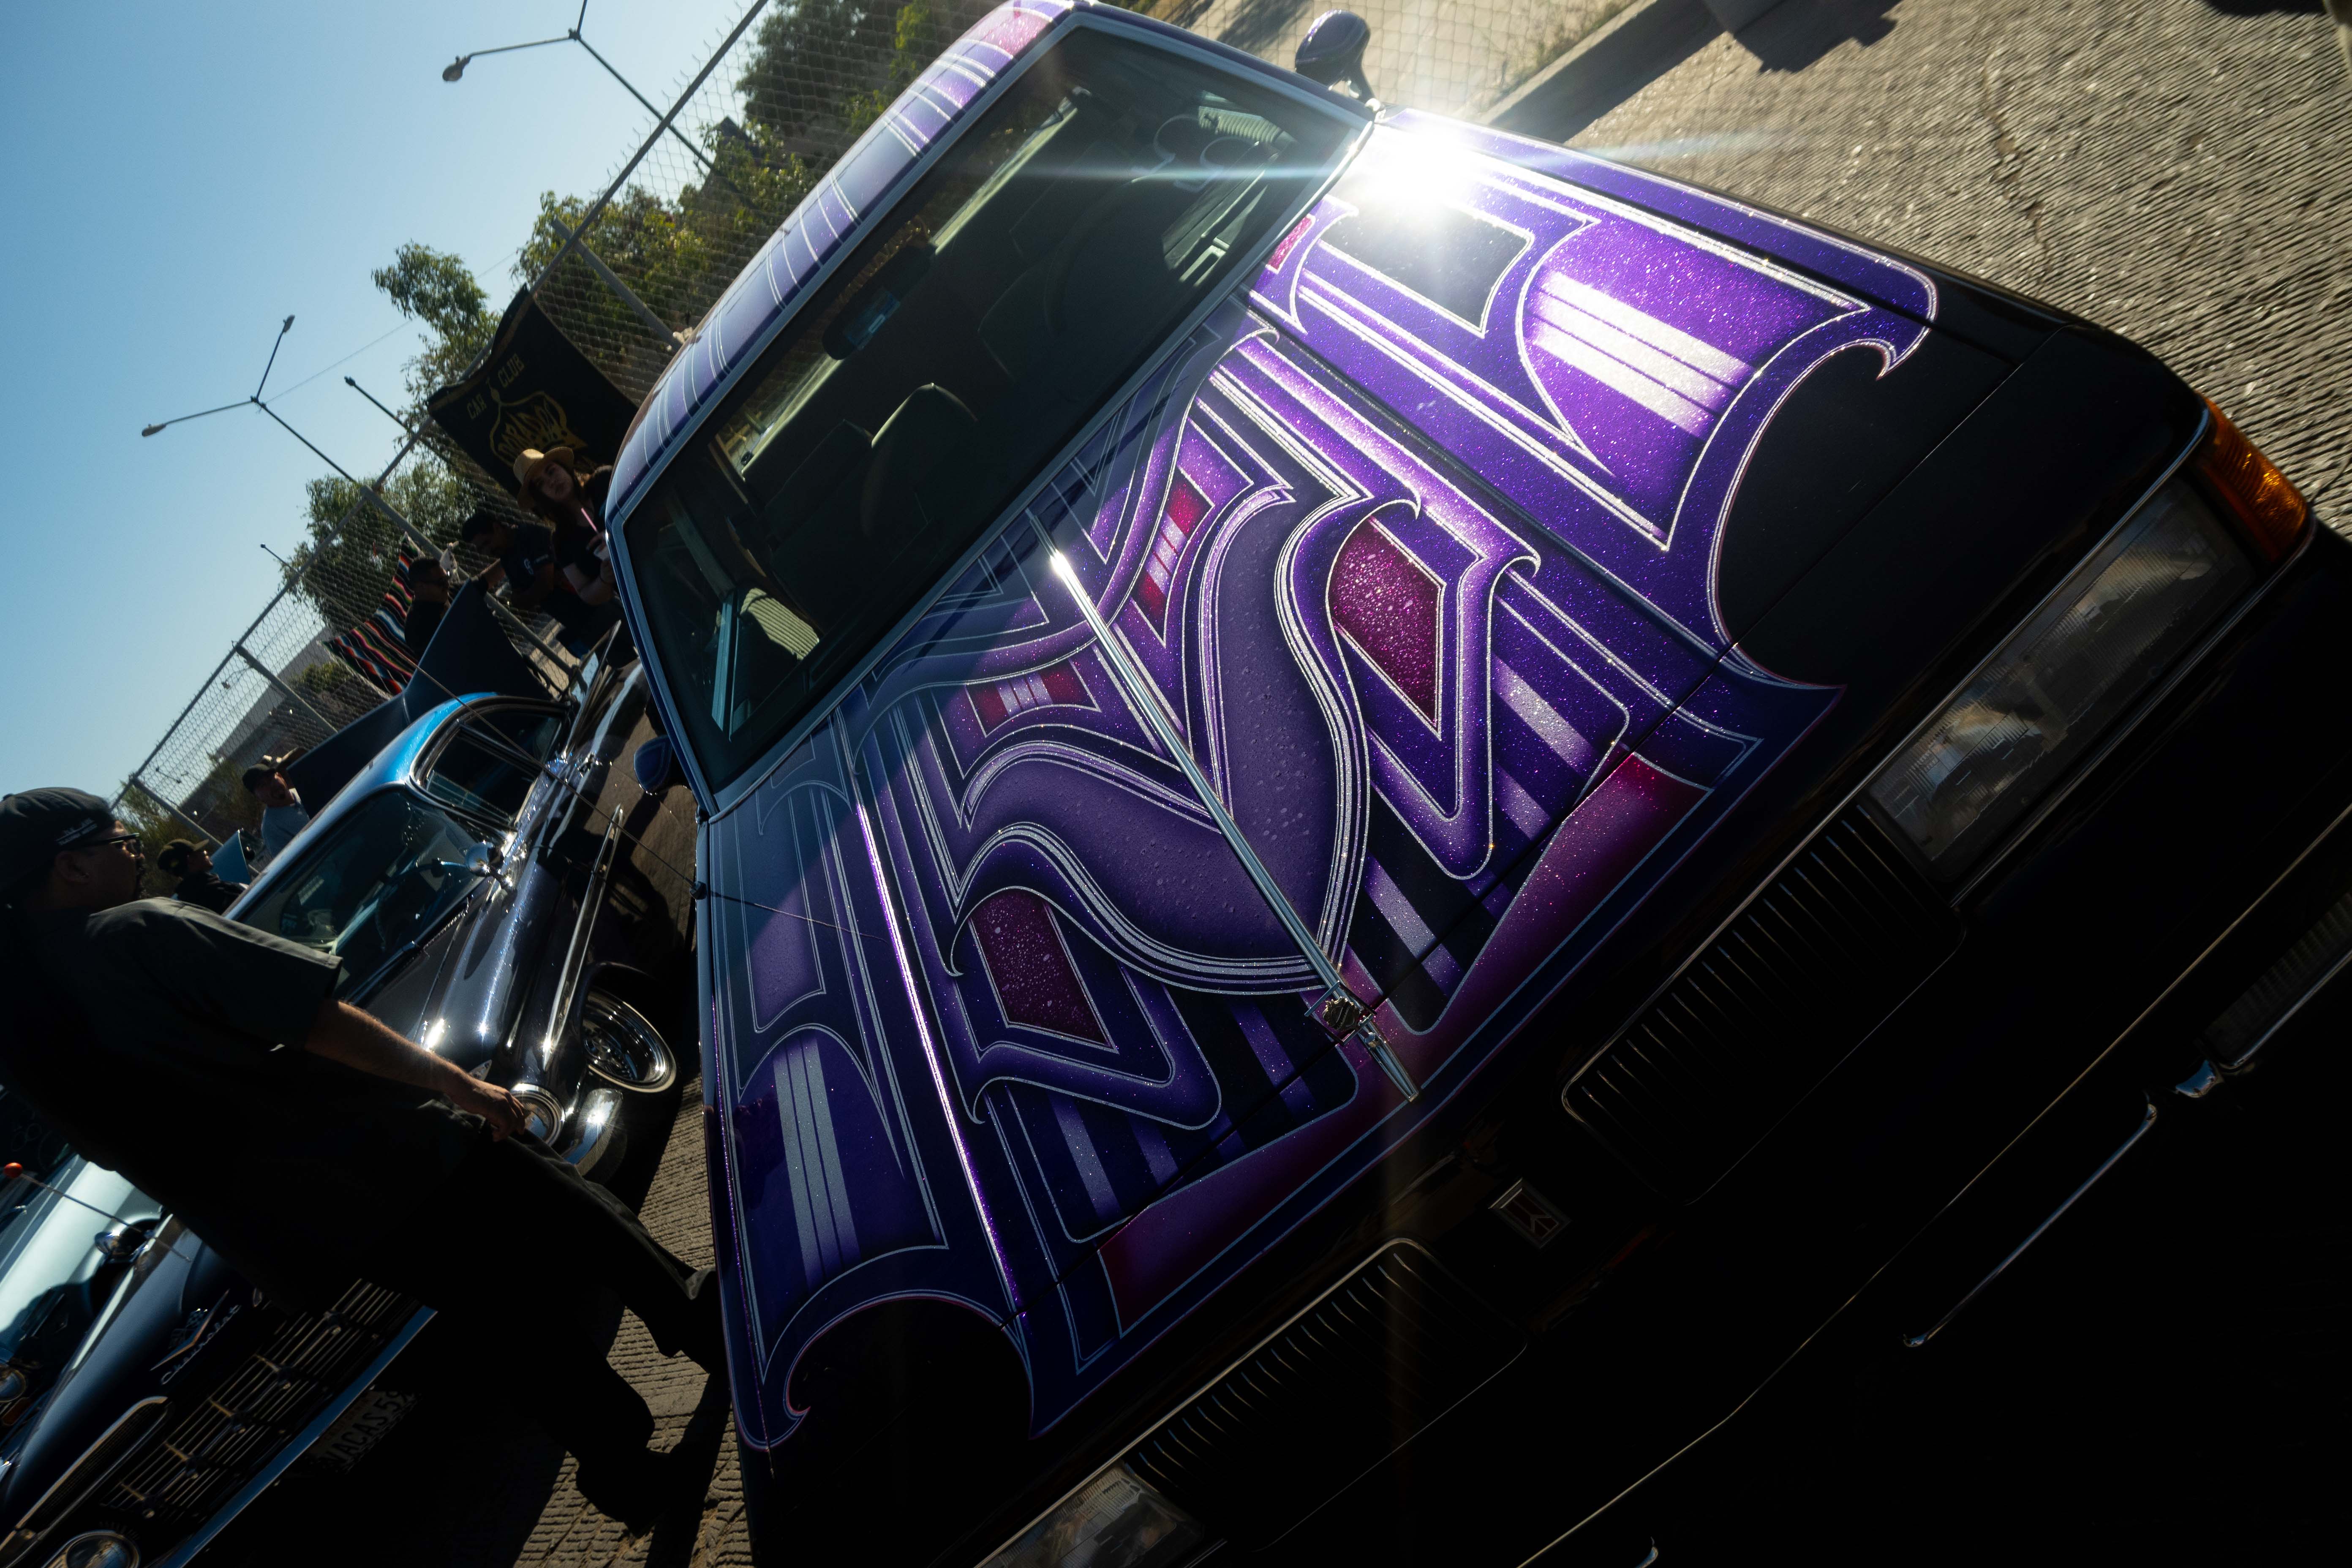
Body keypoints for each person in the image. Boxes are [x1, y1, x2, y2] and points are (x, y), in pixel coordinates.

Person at [0, 789, 721, 1527]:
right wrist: (459, 1083)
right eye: (120, 842)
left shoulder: (36, 1033)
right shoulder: (136, 931)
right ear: (71, 866)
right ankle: (715, 1332)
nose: (135, 854)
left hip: (332, 1220)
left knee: (512, 1328)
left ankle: (629, 1477)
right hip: (398, 1146)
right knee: (590, 1224)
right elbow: (319, 1022)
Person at [240, 760, 310, 870]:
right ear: (257, 797)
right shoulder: (271, 828)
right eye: (263, 786)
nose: (271, 786)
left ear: (280, 776)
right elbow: (292, 867)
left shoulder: (304, 789)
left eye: (271, 779)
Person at [156, 838, 245, 914]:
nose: (205, 853)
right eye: (200, 851)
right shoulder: (220, 893)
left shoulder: (189, 909)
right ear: (190, 860)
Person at [403, 555, 454, 657]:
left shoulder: (447, 594)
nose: (447, 585)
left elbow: (481, 581)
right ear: (421, 587)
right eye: (441, 582)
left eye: (447, 577)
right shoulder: (416, 629)